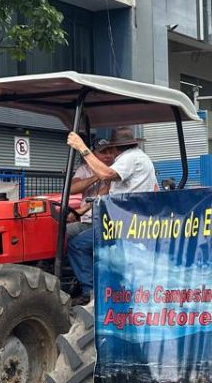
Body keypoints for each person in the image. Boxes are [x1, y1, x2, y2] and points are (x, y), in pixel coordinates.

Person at [65, 127, 159, 302]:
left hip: (125, 223)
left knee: (77, 245)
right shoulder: (138, 158)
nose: (110, 155)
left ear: (117, 148)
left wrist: (81, 147)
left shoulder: (130, 158)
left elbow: (106, 174)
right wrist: (81, 211)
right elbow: (105, 192)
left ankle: (91, 294)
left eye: (111, 150)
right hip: (125, 220)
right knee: (73, 236)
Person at [66, 138, 115, 238]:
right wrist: (98, 175)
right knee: (59, 231)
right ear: (92, 154)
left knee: (73, 242)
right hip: (87, 220)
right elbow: (72, 189)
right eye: (103, 152)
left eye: (111, 152)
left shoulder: (116, 169)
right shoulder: (84, 169)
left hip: (107, 221)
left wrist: (104, 173)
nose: (108, 155)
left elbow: (105, 191)